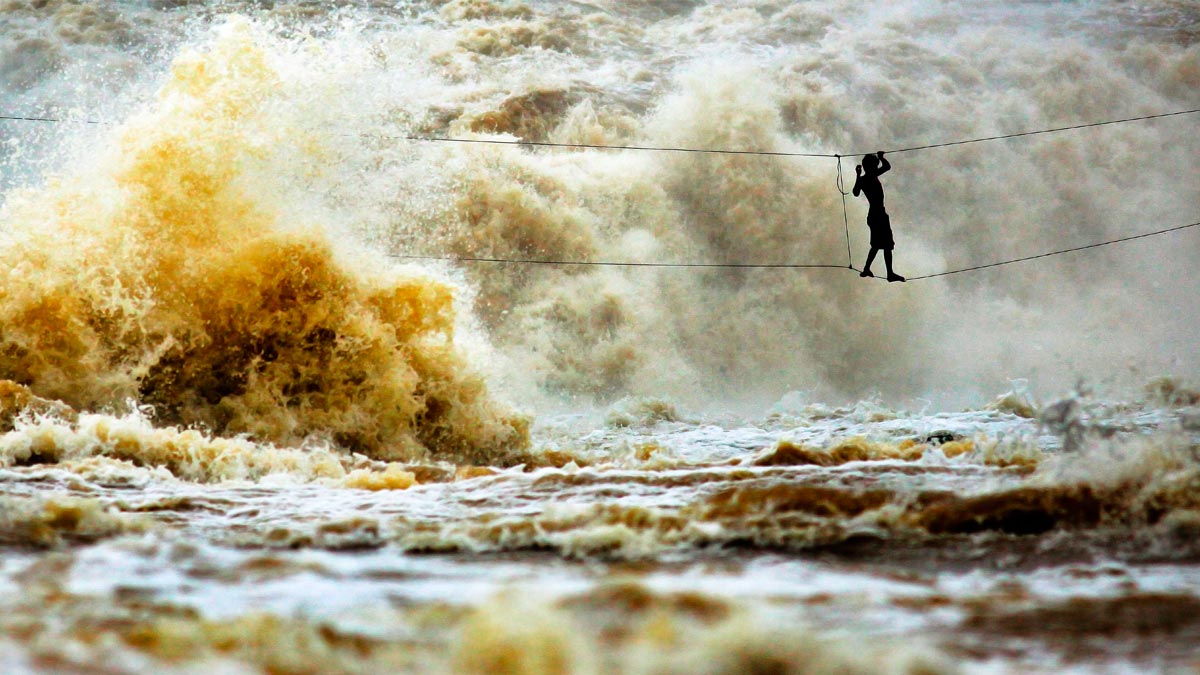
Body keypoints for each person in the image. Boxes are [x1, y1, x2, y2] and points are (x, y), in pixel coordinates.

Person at [852, 151, 904, 282]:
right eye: (875, 166)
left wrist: (858, 175)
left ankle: (866, 269)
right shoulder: (871, 176)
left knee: (876, 244)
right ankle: (890, 274)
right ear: (872, 167)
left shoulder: (864, 179)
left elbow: (855, 192)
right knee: (887, 245)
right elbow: (887, 167)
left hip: (873, 216)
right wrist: (881, 157)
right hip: (879, 215)